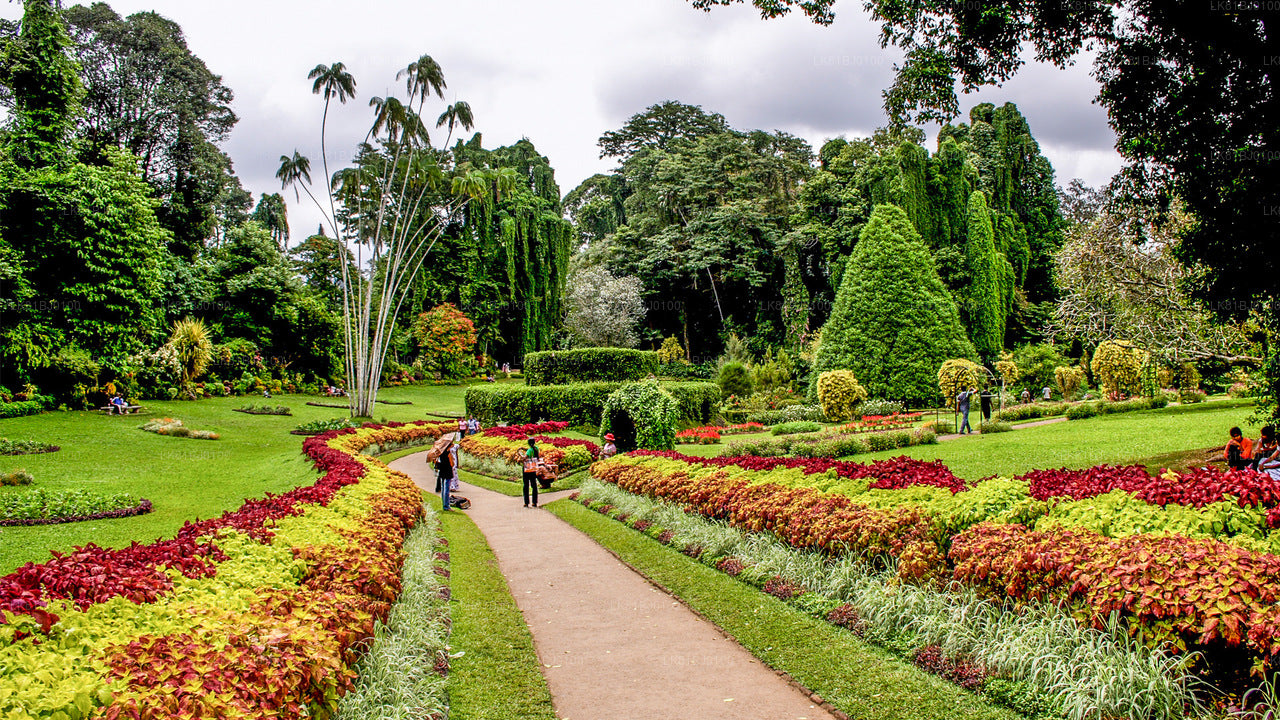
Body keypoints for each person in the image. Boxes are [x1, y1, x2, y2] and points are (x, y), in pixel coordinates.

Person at [436, 438, 457, 511]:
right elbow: (452, 464)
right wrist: (453, 460)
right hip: (447, 471)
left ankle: (444, 504)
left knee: (443, 487)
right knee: (446, 489)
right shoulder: (448, 453)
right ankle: (446, 506)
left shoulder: (440, 453)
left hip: (442, 471)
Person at [522, 437, 540, 508]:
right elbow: (530, 450)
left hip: (527, 469)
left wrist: (521, 456)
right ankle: (534, 502)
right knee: (534, 485)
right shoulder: (536, 449)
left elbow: (525, 457)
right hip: (533, 469)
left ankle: (526, 502)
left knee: (526, 485)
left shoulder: (529, 451)